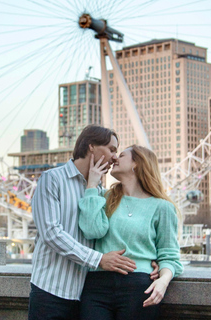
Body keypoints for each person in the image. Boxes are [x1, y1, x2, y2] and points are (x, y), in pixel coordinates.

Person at [29, 125, 158, 320]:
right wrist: (99, 259)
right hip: (50, 290)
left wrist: (149, 259)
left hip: (84, 294)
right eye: (111, 149)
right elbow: (51, 233)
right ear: (91, 147)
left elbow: (109, 232)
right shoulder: (52, 179)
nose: (115, 157)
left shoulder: (98, 191)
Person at [78, 144, 183, 320]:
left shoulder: (162, 207)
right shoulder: (104, 197)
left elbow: (170, 256)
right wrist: (92, 184)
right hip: (97, 285)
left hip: (139, 287)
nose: (114, 159)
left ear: (136, 163)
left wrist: (162, 282)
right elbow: (90, 230)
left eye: (122, 155)